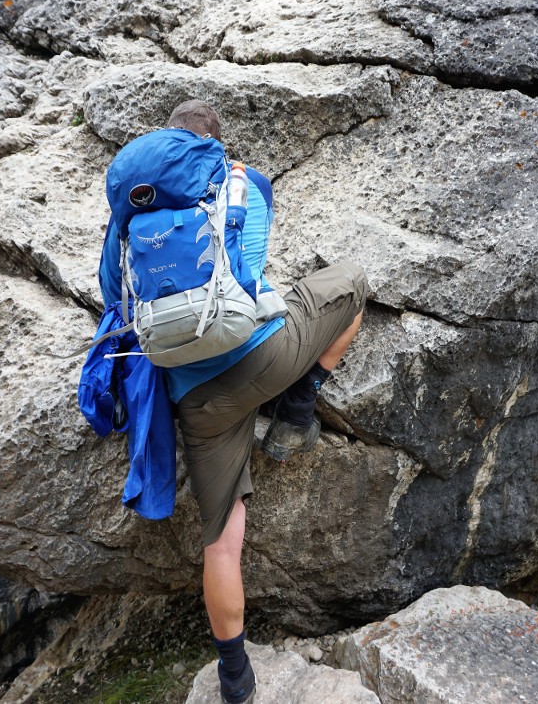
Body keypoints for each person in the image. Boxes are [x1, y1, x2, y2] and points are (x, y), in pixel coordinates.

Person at [162, 100, 368, 704]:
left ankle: (234, 680)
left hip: (196, 399)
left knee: (222, 541)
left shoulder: (136, 210)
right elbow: (250, 258)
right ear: (216, 144)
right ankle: (299, 408)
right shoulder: (245, 182)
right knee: (352, 282)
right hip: (264, 355)